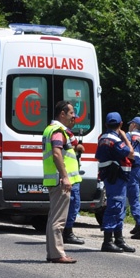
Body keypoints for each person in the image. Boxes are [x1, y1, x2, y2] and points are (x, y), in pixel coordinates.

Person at [41, 100, 81, 263]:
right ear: (62, 114)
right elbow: (57, 154)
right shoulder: (58, 131)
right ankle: (58, 254)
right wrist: (65, 177)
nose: (74, 116)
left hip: (54, 180)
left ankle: (53, 253)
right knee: (58, 220)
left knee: (53, 218)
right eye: (71, 113)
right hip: (60, 181)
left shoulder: (50, 129)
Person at [96, 112, 136, 253]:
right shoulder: (115, 139)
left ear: (106, 124)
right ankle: (108, 241)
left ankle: (119, 240)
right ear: (120, 124)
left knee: (119, 207)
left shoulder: (102, 138)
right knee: (115, 206)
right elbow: (131, 153)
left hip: (113, 176)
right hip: (116, 176)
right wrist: (124, 136)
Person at [125, 116, 140, 240]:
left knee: (134, 199)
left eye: (131, 124)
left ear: (134, 125)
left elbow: (123, 149)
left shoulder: (129, 135)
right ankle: (137, 224)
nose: (129, 126)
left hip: (135, 170)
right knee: (135, 197)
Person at [62, 120, 85, 245]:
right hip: (69, 176)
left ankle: (66, 231)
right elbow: (78, 147)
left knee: (70, 205)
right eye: (72, 115)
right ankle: (67, 232)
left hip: (69, 175)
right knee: (73, 204)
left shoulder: (64, 133)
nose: (74, 119)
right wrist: (79, 147)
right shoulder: (65, 133)